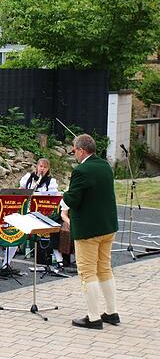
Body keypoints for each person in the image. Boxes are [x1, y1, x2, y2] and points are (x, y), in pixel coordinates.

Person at [64, 134, 119, 330]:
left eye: (74, 151)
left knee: (87, 272)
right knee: (104, 268)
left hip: (89, 229)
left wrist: (64, 195)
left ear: (81, 150)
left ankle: (94, 317)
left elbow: (73, 200)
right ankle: (112, 313)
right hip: (107, 226)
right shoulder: (105, 166)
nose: (74, 155)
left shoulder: (81, 170)